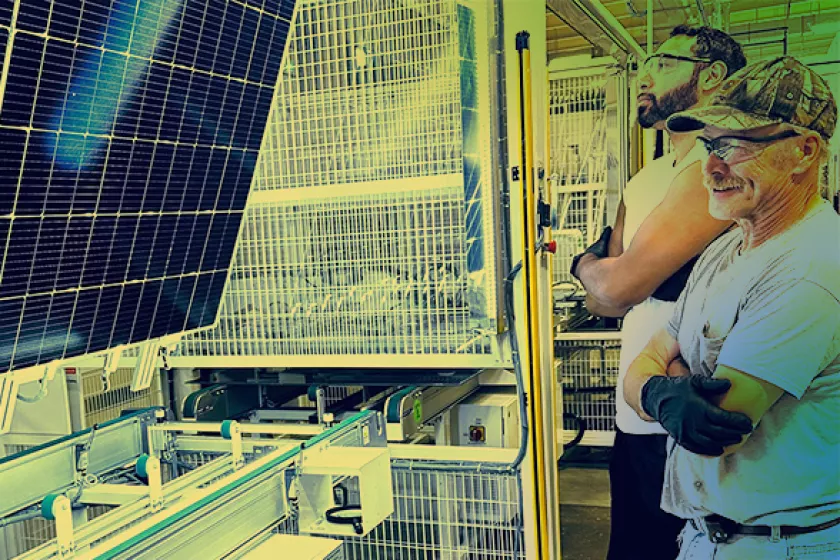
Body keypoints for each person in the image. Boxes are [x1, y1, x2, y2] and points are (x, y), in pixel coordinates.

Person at [624, 56, 840, 559]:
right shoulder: (728, 247)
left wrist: (661, 378)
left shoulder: (812, 266)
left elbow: (717, 429)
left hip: (779, 546)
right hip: (710, 535)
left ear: (805, 151)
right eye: (707, 145)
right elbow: (642, 364)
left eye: (732, 145)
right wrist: (661, 392)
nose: (711, 168)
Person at [570, 25, 746, 560]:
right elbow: (604, 302)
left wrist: (587, 261)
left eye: (662, 62)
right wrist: (611, 279)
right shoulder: (644, 179)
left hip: (688, 408)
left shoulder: (719, 168)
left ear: (712, 76)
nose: (643, 75)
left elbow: (617, 283)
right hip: (636, 409)